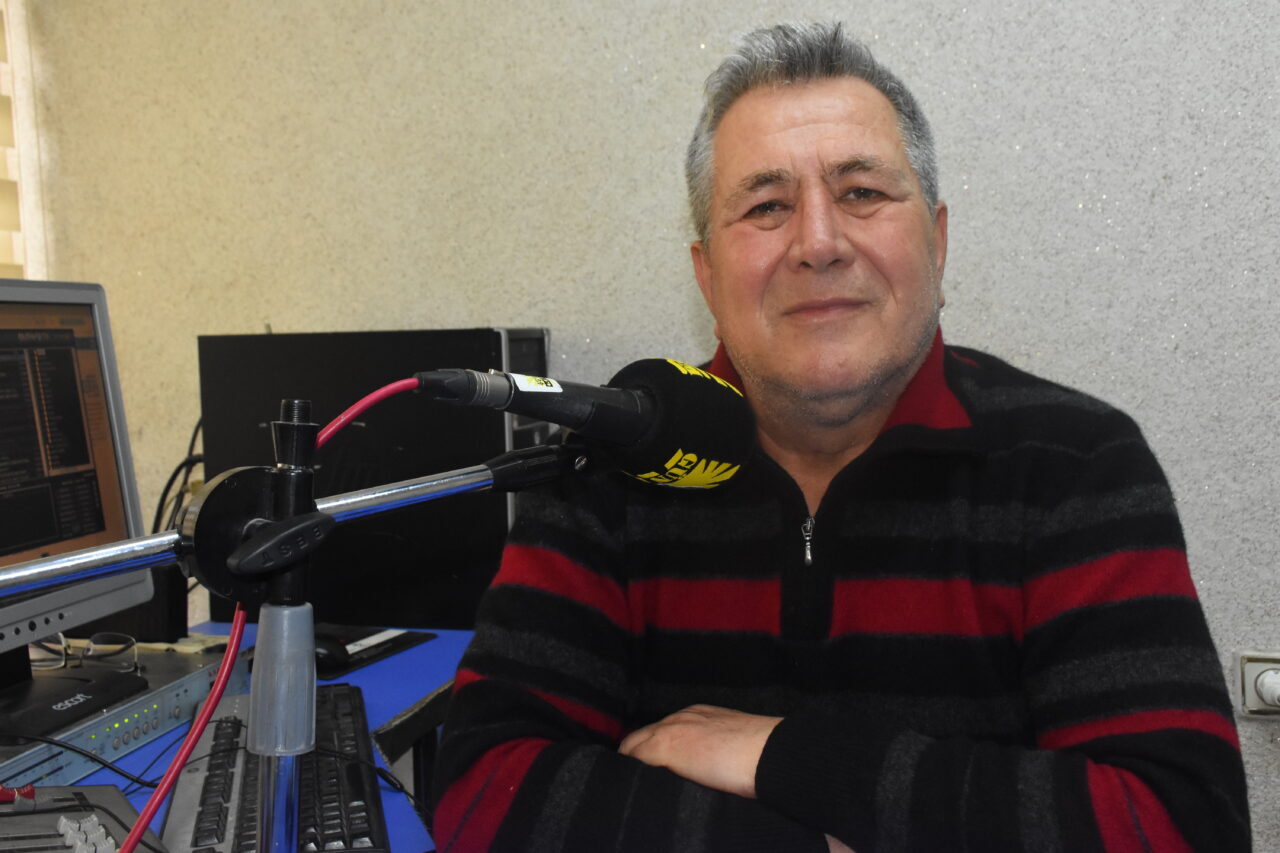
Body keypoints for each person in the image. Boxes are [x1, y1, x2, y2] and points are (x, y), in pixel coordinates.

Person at [430, 22, 1250, 852]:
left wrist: (784, 756)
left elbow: (1179, 823)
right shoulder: (611, 464)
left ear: (936, 242)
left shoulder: (1077, 463)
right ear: (707, 276)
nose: (818, 243)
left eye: (861, 192)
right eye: (766, 206)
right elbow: (482, 792)